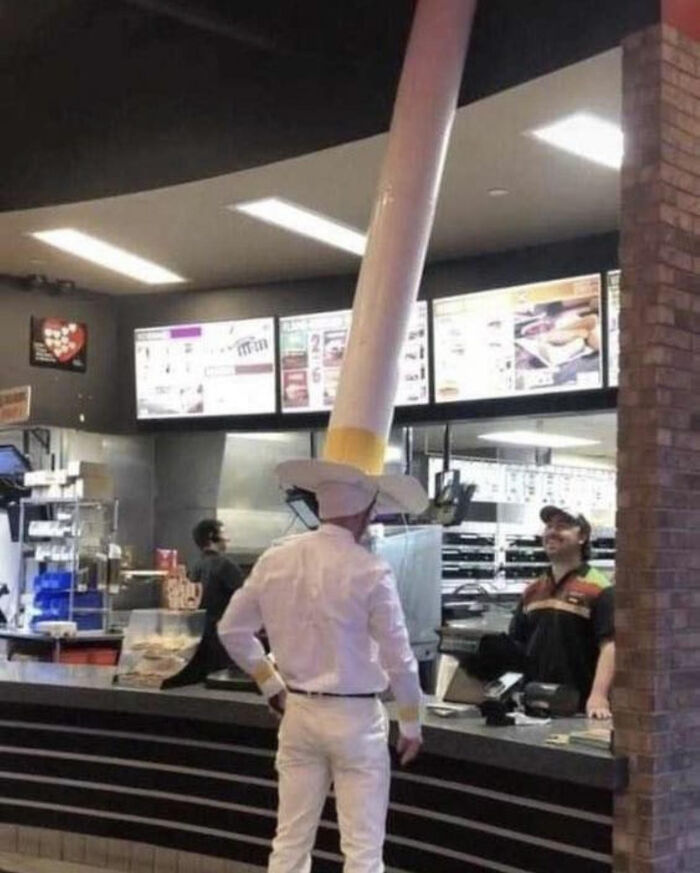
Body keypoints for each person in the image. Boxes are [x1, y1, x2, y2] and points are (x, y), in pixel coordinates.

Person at [218, 458, 427, 873]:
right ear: (366, 513)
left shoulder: (275, 559)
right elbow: (399, 658)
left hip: (298, 712)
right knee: (362, 848)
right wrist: (411, 722)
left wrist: (271, 684)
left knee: (290, 841)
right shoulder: (370, 569)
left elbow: (231, 630)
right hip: (356, 718)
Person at [509, 505, 615, 719]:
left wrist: (598, 696)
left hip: (578, 709)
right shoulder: (533, 590)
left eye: (562, 526)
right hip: (531, 706)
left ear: (582, 536)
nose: (552, 532)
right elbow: (515, 645)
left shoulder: (599, 588)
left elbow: (611, 646)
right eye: (548, 526)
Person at [188, 518, 244, 676]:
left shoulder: (195, 566)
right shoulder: (225, 565)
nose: (228, 538)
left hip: (200, 640)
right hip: (222, 642)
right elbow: (246, 601)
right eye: (224, 533)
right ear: (213, 536)